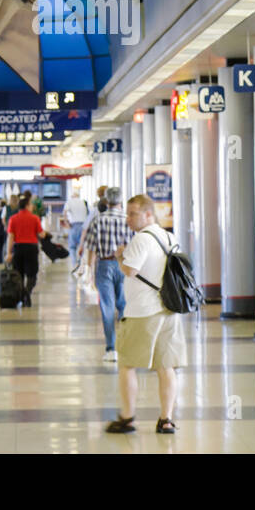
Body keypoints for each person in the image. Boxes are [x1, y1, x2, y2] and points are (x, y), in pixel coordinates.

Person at [106, 194, 186, 436]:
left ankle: (128, 417)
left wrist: (121, 254)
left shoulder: (141, 239)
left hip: (142, 312)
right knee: (165, 366)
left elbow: (130, 270)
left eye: (133, 214)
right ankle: (166, 419)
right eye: (128, 213)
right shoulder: (169, 236)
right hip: (169, 310)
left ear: (148, 214)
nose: (128, 218)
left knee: (127, 364)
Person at [79, 186, 130, 362]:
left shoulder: (98, 220)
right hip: (124, 265)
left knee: (107, 306)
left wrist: (89, 271)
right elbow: (133, 246)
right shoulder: (127, 220)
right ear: (121, 200)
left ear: (106, 201)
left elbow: (91, 248)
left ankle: (111, 349)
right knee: (124, 305)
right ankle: (126, 345)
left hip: (104, 264)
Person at [5, 195, 46, 306]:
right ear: (27, 206)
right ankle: (27, 294)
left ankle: (23, 295)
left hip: (18, 248)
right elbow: (41, 234)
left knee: (19, 274)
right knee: (32, 274)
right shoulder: (35, 218)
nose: (32, 206)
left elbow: (10, 237)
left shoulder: (13, 219)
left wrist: (8, 253)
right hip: (31, 248)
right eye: (31, 204)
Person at [63, 186, 90, 269]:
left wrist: (66, 222)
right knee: (82, 247)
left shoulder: (69, 202)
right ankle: (81, 265)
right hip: (83, 227)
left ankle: (75, 265)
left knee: (72, 247)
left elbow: (65, 212)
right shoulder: (83, 202)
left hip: (74, 226)